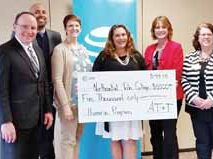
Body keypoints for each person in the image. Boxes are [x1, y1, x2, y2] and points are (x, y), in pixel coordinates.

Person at [0, 12, 53, 159]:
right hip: (15, 123)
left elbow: (43, 82)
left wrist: (48, 110)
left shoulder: (37, 50)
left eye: (33, 28)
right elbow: (1, 90)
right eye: (24, 26)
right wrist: (5, 121)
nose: (29, 31)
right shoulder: (4, 52)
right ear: (14, 27)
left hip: (37, 121)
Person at [93, 24, 146, 159]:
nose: (121, 38)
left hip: (133, 108)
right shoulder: (104, 56)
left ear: (128, 37)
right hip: (111, 107)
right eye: (117, 35)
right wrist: (84, 87)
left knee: (130, 139)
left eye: (123, 35)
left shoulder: (136, 56)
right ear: (112, 38)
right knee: (115, 139)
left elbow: (147, 79)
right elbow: (93, 78)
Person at [182, 23, 213, 159]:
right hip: (196, 108)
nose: (206, 37)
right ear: (198, 38)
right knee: (202, 144)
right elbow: (184, 79)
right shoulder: (189, 58)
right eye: (203, 34)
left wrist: (212, 99)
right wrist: (194, 98)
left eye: (209, 34)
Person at [51, 14, 92, 159]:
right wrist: (65, 105)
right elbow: (57, 79)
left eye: (76, 26)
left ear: (80, 29)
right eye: (70, 26)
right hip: (69, 103)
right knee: (68, 140)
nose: (74, 28)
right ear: (65, 29)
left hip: (83, 104)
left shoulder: (83, 50)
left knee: (77, 138)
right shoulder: (59, 50)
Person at [144, 16, 184, 159]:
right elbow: (144, 72)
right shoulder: (149, 49)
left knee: (169, 133)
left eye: (163, 27)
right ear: (153, 30)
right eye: (157, 27)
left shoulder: (176, 47)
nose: (160, 30)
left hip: (172, 97)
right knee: (155, 132)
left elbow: (177, 71)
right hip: (152, 98)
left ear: (169, 29)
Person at [29, 3, 62, 159]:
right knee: (36, 134)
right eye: (36, 12)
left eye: (43, 12)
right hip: (32, 94)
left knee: (50, 132)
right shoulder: (24, 35)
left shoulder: (55, 36)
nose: (41, 15)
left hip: (52, 92)